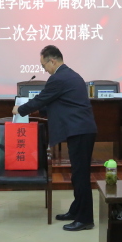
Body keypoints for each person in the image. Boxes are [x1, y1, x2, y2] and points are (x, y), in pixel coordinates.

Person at [13, 45, 97, 231]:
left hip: (80, 130)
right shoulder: (68, 75)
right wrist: (36, 110)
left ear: (52, 61)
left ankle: (85, 219)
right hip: (80, 130)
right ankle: (76, 210)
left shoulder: (58, 78)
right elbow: (55, 102)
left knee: (81, 176)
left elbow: (41, 99)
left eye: (43, 65)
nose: (44, 69)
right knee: (77, 174)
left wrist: (20, 109)